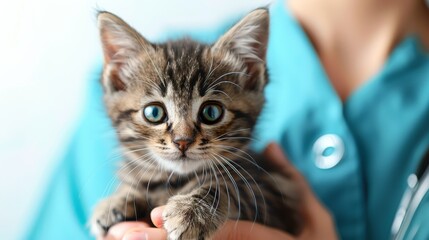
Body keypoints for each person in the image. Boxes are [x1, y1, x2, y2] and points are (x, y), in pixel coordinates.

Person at [27, 0, 429, 239]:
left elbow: (247, 194)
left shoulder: (243, 177)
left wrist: (210, 201)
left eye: (210, 113)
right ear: (116, 78)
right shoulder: (95, 137)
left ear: (251, 74)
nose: (183, 137)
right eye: (155, 114)